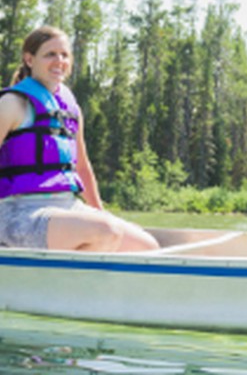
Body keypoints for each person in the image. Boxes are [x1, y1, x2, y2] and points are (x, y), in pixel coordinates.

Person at [0, 26, 159, 252]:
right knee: (106, 231)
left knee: (145, 245)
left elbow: (82, 168)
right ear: (29, 59)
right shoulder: (12, 103)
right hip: (18, 212)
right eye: (50, 54)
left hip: (67, 205)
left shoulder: (70, 108)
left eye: (65, 55)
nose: (59, 60)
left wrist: (101, 213)